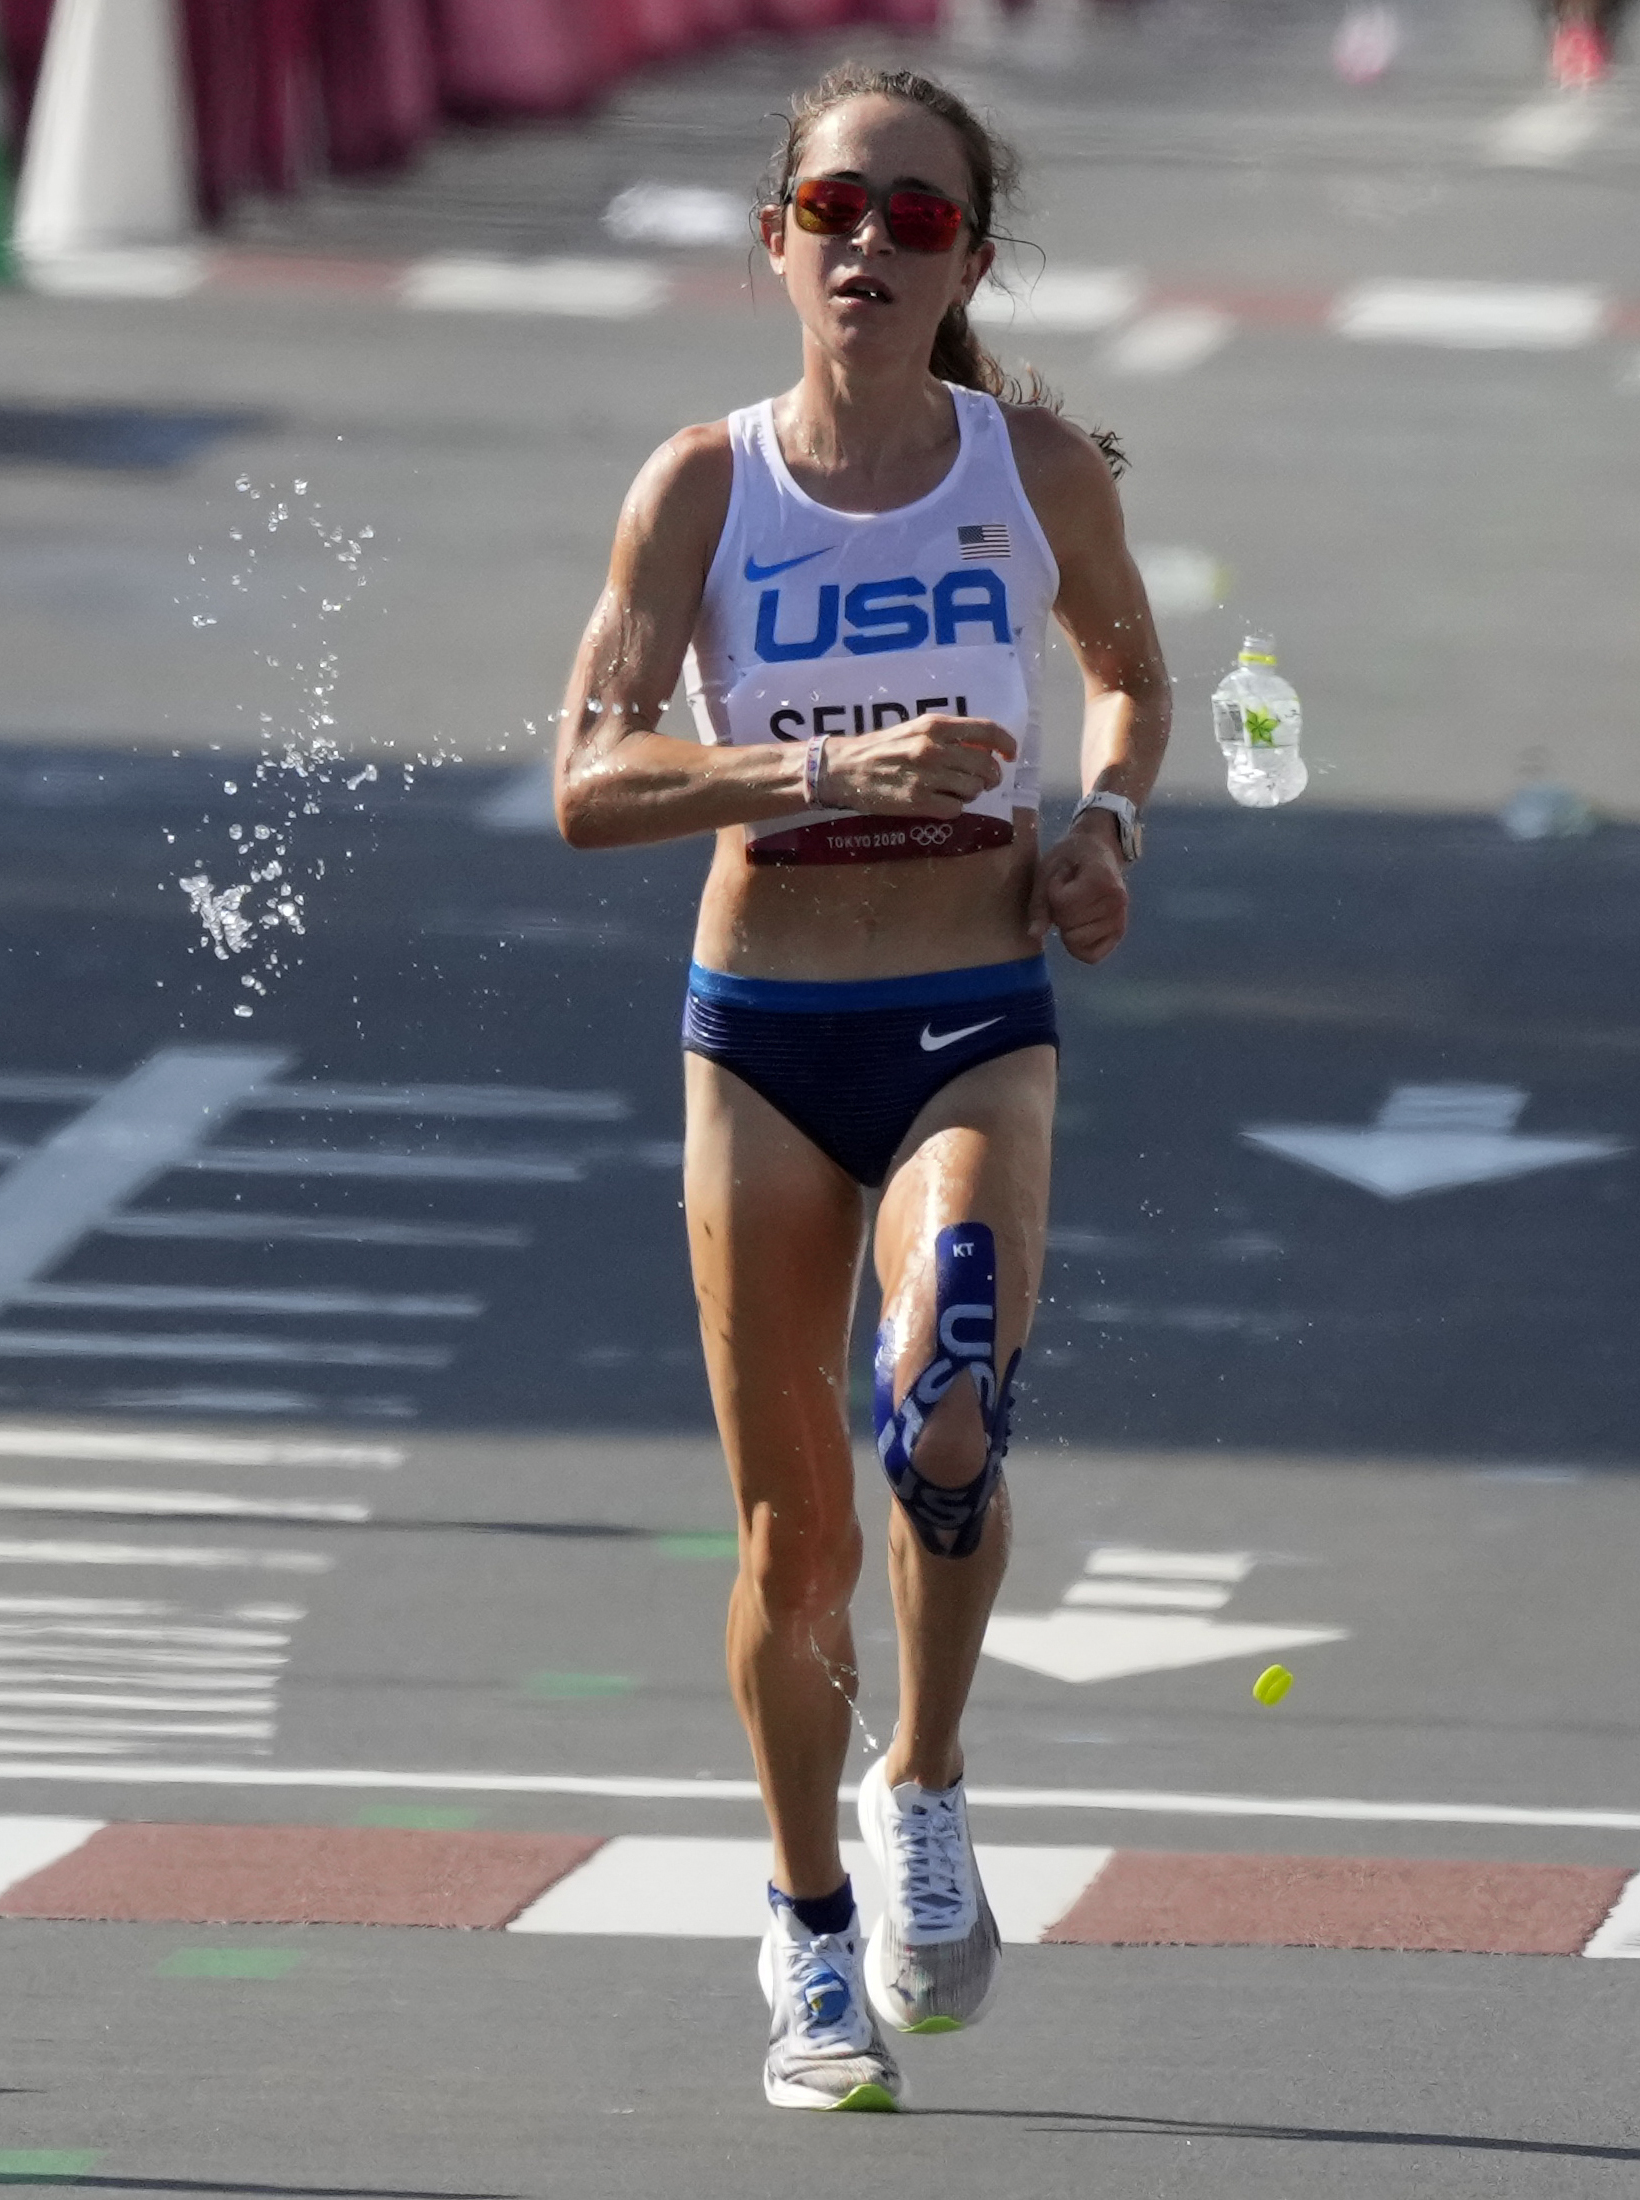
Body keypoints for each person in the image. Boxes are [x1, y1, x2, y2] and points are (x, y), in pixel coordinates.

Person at [553, 60, 1165, 2112]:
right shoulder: (703, 487)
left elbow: (1133, 678)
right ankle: (811, 1921)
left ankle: (928, 1778)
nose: (871, 249)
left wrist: (1108, 838)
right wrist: (819, 769)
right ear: (777, 238)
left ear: (970, 257)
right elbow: (589, 779)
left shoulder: (1035, 467)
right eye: (838, 210)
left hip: (976, 1005)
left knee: (953, 1379)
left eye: (919, 220)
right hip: (765, 1035)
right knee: (791, 1532)